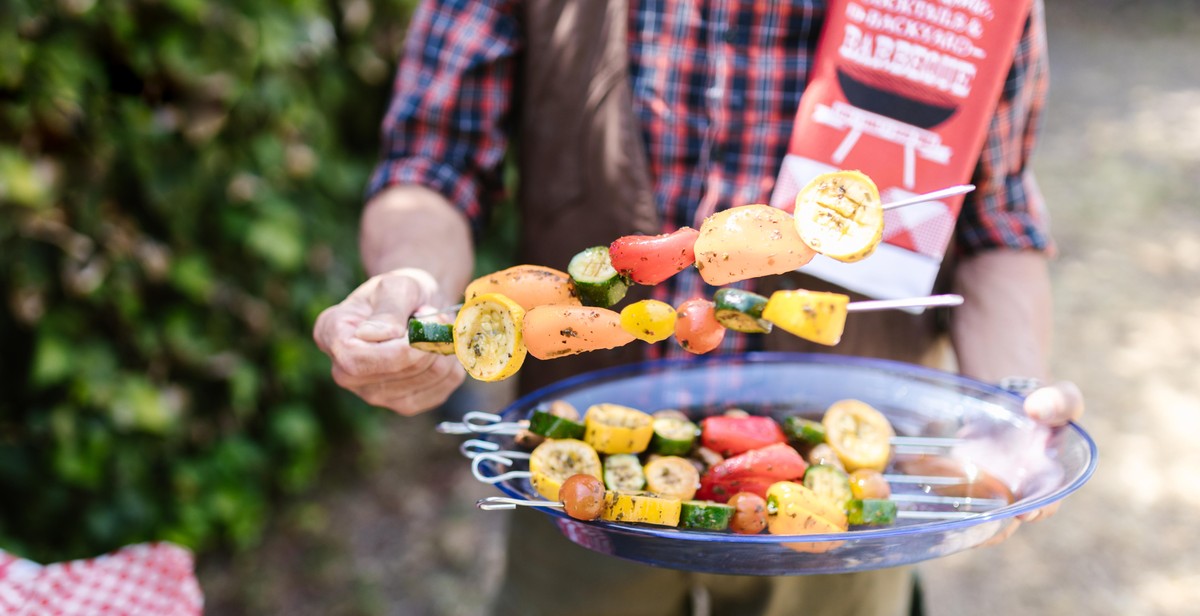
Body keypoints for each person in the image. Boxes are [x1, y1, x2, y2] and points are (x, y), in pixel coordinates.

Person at [313, 1, 1084, 614]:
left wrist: (1006, 404)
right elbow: (433, 164)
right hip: (582, 476)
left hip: (840, 496)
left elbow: (996, 219)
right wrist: (415, 281)